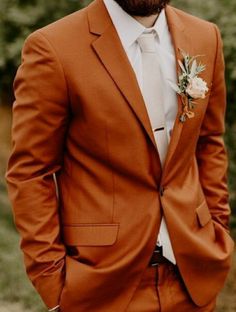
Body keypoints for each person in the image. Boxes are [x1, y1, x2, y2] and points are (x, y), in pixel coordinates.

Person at [6, 0, 234, 311]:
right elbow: (31, 172)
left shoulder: (205, 36)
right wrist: (51, 280)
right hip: (102, 285)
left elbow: (208, 143)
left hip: (192, 279)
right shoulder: (53, 47)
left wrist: (217, 230)